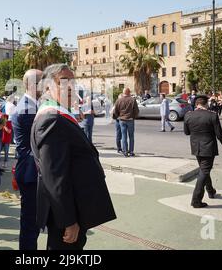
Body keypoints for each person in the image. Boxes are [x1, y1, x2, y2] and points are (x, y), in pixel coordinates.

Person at [31, 64, 116, 250]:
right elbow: (55, 177)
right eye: (63, 82)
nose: (70, 87)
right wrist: (68, 220)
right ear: (47, 88)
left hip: (74, 204)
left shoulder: (57, 114)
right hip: (67, 212)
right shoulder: (52, 119)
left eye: (72, 81)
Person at [12, 69, 43, 250]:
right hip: (32, 171)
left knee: (33, 223)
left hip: (32, 170)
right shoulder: (27, 109)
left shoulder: (32, 105)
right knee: (31, 225)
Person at [184, 96, 222, 208]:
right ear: (206, 104)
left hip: (196, 147)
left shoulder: (188, 115)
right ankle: (196, 200)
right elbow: (219, 133)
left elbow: (186, 132)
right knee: (204, 171)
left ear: (197, 105)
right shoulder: (212, 115)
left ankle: (210, 190)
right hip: (208, 148)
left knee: (204, 169)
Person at [113, 88, 139, 157]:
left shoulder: (119, 100)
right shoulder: (133, 100)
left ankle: (125, 151)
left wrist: (119, 116)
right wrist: (133, 117)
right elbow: (136, 111)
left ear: (123, 92)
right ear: (129, 92)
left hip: (122, 120)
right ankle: (131, 151)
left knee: (124, 136)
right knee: (131, 137)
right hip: (130, 120)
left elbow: (115, 111)